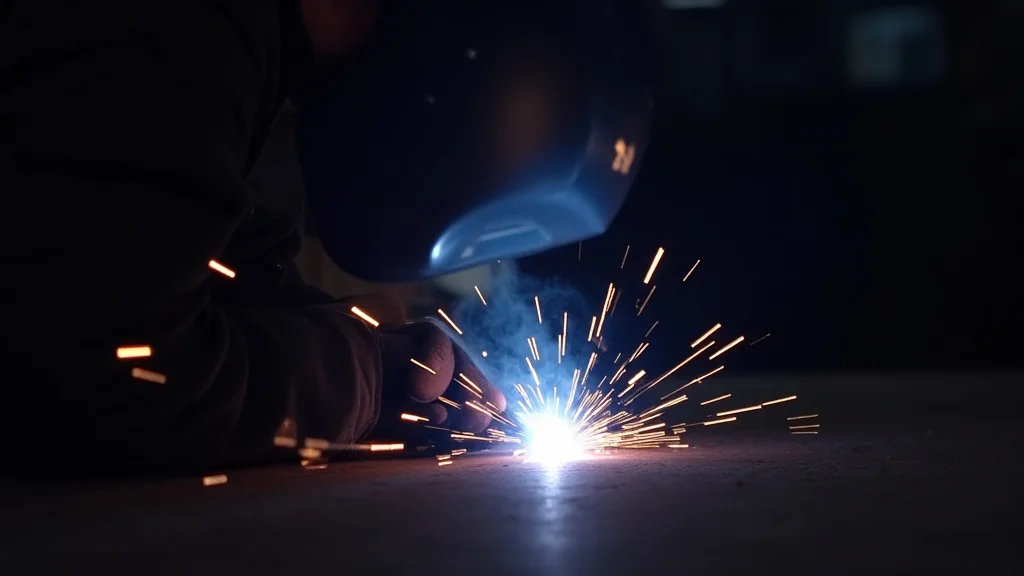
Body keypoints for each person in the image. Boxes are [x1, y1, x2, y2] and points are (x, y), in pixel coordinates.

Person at [2, 0, 651, 475]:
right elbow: (116, 371)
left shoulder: (268, 63)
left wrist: (384, 361)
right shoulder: (174, 29)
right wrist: (365, 378)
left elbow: (226, 283)